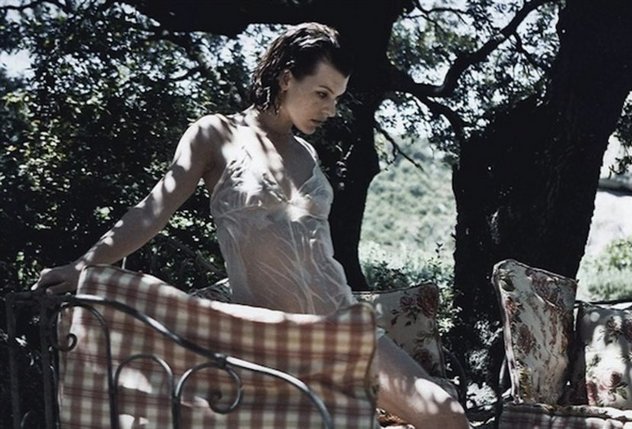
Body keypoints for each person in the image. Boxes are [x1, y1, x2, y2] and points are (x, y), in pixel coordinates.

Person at [34, 22, 470, 429]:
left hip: (340, 324)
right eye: (322, 93)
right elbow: (153, 210)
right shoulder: (216, 135)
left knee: (447, 415)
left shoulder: (306, 153)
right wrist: (83, 267)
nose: (331, 109)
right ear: (285, 78)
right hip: (271, 338)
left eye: (336, 97)